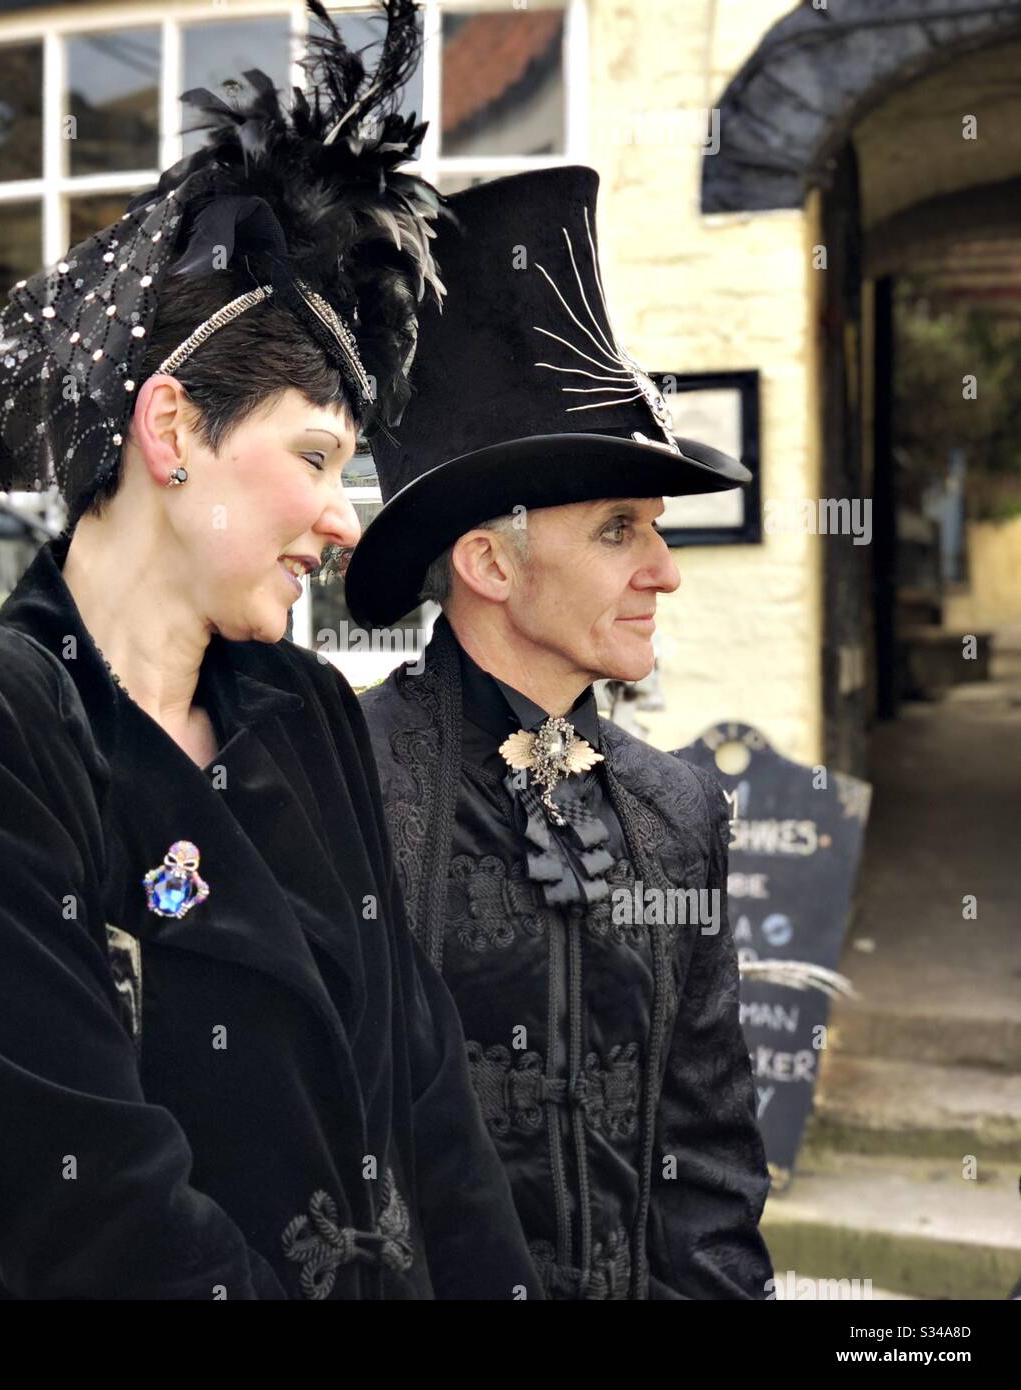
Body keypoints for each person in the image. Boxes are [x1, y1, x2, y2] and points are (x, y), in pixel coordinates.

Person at [0, 0, 541, 1301]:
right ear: (174, 430)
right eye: (318, 457)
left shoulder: (309, 706)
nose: (345, 513)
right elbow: (102, 1222)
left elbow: (427, 1089)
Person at [347, 165, 776, 1299]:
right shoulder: (337, 786)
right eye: (619, 530)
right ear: (490, 560)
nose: (665, 572)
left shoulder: (676, 808)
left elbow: (713, 1173)